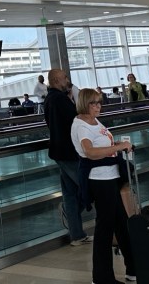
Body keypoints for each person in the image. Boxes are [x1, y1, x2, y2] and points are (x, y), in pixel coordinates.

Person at [73, 87, 135, 284]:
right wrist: (118, 147)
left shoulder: (94, 121)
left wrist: (117, 145)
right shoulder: (81, 125)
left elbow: (101, 146)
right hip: (99, 180)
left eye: (99, 102)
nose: (98, 106)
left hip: (110, 177)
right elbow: (90, 152)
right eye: (94, 103)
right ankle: (102, 277)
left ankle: (133, 267)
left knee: (121, 223)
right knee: (105, 228)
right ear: (85, 104)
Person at [44, 69, 90, 246]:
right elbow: (75, 121)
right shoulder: (60, 100)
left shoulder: (50, 99)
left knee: (70, 193)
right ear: (56, 80)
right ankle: (68, 213)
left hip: (59, 152)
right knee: (88, 187)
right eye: (64, 78)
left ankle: (77, 235)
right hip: (69, 152)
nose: (67, 80)